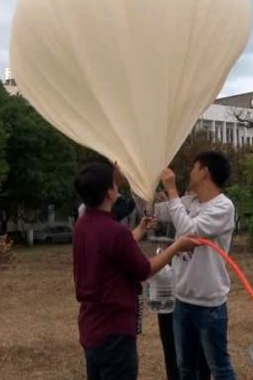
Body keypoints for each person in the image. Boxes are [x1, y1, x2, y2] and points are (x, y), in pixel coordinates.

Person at [73, 162, 199, 380]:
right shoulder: (113, 231)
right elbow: (144, 269)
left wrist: (140, 229)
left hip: (91, 326)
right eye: (114, 185)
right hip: (114, 329)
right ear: (109, 192)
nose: (117, 188)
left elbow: (115, 249)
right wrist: (176, 247)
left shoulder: (83, 225)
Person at [160, 151, 236, 380]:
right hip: (182, 300)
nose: (190, 172)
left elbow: (188, 231)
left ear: (204, 172)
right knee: (186, 368)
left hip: (209, 304)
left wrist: (172, 191)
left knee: (219, 368)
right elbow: (158, 211)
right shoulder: (190, 201)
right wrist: (140, 182)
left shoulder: (223, 207)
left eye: (194, 167)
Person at [154, 190, 212, 380]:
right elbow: (152, 212)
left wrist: (172, 193)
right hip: (174, 286)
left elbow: (190, 231)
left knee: (203, 353)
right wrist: (143, 188)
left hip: (201, 294)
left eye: (193, 193)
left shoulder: (216, 208)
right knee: (175, 350)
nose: (189, 196)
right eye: (187, 193)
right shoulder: (182, 205)